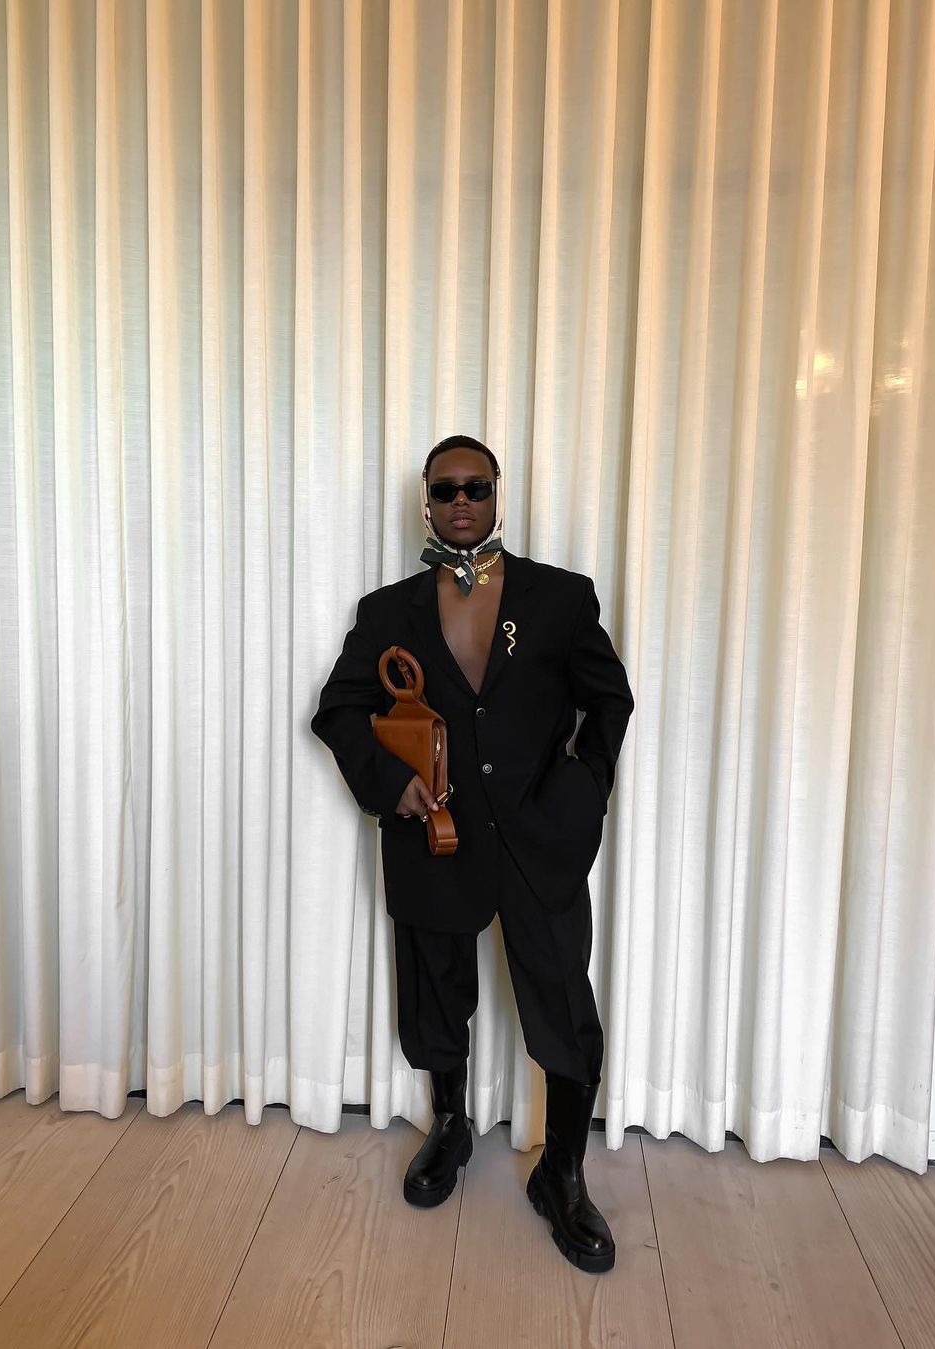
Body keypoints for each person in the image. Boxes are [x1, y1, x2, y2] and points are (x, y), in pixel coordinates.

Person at [310, 434, 634, 1275]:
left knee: (562, 1003)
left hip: (538, 840)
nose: (461, 500)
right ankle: (450, 1127)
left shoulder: (561, 598)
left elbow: (610, 700)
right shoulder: (387, 611)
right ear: (426, 501)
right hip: (434, 837)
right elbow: (338, 710)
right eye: (446, 488)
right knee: (436, 994)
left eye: (476, 487)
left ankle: (562, 1172)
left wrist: (583, 790)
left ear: (496, 495)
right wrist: (391, 783)